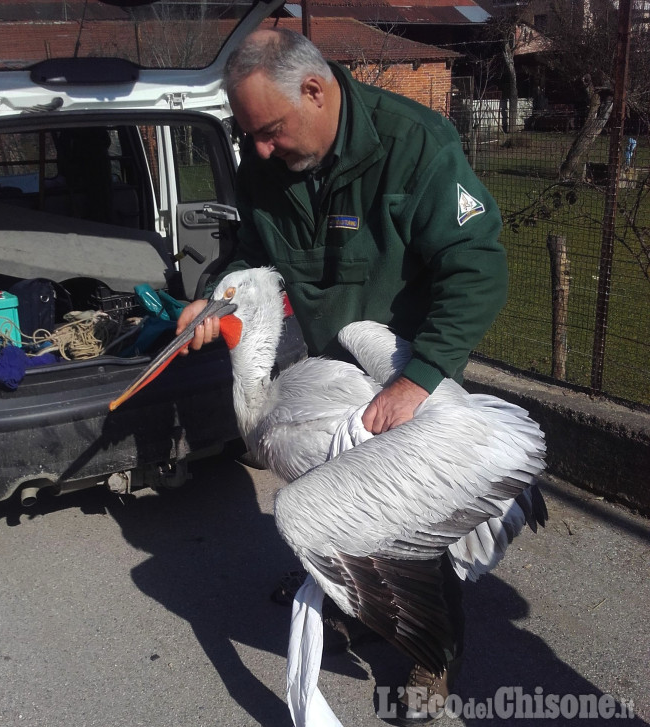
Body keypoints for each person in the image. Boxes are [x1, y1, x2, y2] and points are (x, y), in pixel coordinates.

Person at [176, 28, 507, 721]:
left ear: (316, 90)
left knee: (414, 523)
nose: (257, 150)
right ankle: (350, 592)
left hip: (409, 369)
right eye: (250, 135)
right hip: (335, 366)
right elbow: (249, 252)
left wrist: (416, 380)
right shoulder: (266, 165)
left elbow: (478, 269)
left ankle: (433, 653)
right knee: (337, 500)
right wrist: (219, 296)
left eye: (267, 131)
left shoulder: (413, 145)